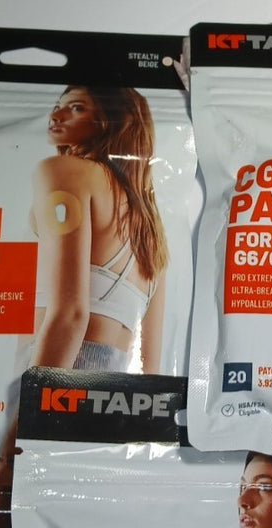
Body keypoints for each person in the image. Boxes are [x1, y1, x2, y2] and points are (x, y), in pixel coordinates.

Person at [30, 85, 168, 373]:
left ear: (113, 121)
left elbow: (70, 315)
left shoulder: (66, 171)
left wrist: (37, 399)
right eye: (58, 105)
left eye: (76, 108)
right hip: (119, 386)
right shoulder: (152, 231)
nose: (56, 115)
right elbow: (149, 368)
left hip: (55, 366)